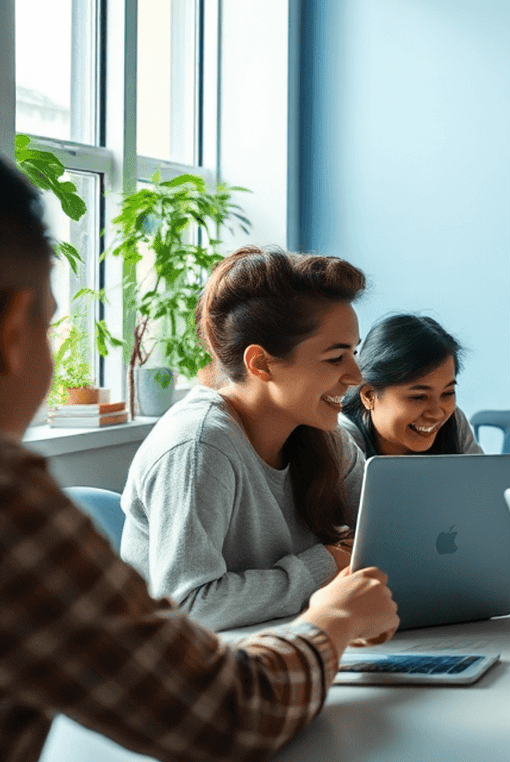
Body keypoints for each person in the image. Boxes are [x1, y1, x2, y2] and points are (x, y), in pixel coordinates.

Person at [0, 160, 398, 762]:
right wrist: (329, 619)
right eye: (51, 325)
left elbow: (396, 542)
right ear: (11, 334)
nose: (356, 376)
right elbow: (223, 711)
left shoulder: (328, 435)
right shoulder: (19, 510)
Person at [121, 246, 377, 631]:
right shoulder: (198, 447)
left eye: (354, 353)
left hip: (284, 647)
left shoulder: (329, 437)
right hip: (186, 672)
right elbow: (190, 606)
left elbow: (388, 540)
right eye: (336, 357)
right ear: (260, 363)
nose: (356, 376)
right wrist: (323, 564)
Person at [339, 313, 482, 457]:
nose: (436, 413)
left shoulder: (454, 422)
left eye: (448, 393)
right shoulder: (341, 441)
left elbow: (485, 477)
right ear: (369, 396)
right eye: (419, 397)